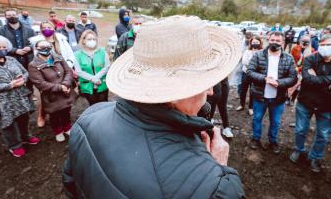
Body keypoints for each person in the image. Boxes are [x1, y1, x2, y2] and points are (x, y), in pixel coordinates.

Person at [62, 16, 245, 198]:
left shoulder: (89, 117)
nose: (211, 91)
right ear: (177, 93)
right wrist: (216, 171)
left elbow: (71, 185)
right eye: (204, 81)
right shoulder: (213, 187)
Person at [290, 35, 331, 173]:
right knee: (300, 129)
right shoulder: (310, 59)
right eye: (322, 44)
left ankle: (315, 157)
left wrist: (316, 80)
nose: (325, 47)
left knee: (323, 134)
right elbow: (306, 79)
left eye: (328, 44)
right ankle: (299, 149)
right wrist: (330, 80)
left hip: (326, 106)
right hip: (306, 102)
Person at [0, 35, 39, 158]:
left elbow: (25, 72)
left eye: (4, 46)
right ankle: (14, 145)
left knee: (23, 119)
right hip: (2, 102)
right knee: (8, 124)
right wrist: (9, 85)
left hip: (20, 97)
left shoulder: (11, 59)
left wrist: (23, 79)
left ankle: (25, 136)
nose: (2, 49)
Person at [247, 31, 298, 153]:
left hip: (278, 97)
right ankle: (256, 138)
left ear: (283, 42)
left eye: (278, 41)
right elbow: (250, 71)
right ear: (268, 40)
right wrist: (264, 78)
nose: (274, 42)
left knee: (275, 121)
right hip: (259, 95)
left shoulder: (288, 58)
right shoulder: (258, 55)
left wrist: (279, 83)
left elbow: (293, 77)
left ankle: (273, 141)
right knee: (257, 118)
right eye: (272, 40)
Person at [30, 21, 76, 127]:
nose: (47, 29)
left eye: (49, 27)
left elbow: (69, 54)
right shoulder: (38, 42)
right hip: (47, 74)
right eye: (44, 27)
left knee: (65, 99)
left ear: (53, 28)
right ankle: (42, 116)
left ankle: (66, 124)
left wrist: (67, 67)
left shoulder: (61, 40)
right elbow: (37, 60)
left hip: (63, 69)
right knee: (49, 100)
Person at [74, 30, 110, 106]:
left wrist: (96, 78)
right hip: (87, 86)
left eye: (94, 39)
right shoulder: (77, 55)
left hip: (102, 84)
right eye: (89, 39)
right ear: (83, 40)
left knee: (104, 105)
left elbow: (107, 66)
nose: (92, 41)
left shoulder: (102, 51)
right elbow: (78, 71)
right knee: (93, 105)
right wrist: (92, 79)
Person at [237, 35, 263, 114]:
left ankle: (251, 107)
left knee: (253, 91)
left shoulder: (261, 52)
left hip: (256, 75)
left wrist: (253, 63)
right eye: (253, 42)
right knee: (243, 90)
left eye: (257, 42)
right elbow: (244, 62)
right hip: (246, 73)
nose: (255, 43)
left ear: (260, 43)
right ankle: (241, 104)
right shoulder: (247, 51)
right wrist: (255, 63)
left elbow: (262, 63)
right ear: (251, 42)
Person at [288, 35, 315, 106]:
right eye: (304, 40)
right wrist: (294, 67)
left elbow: (309, 63)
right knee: (291, 84)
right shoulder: (295, 48)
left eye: (307, 41)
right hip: (294, 68)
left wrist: (299, 68)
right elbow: (291, 58)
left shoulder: (311, 50)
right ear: (300, 40)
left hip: (303, 70)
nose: (305, 42)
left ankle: (293, 99)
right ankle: (288, 98)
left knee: (298, 86)